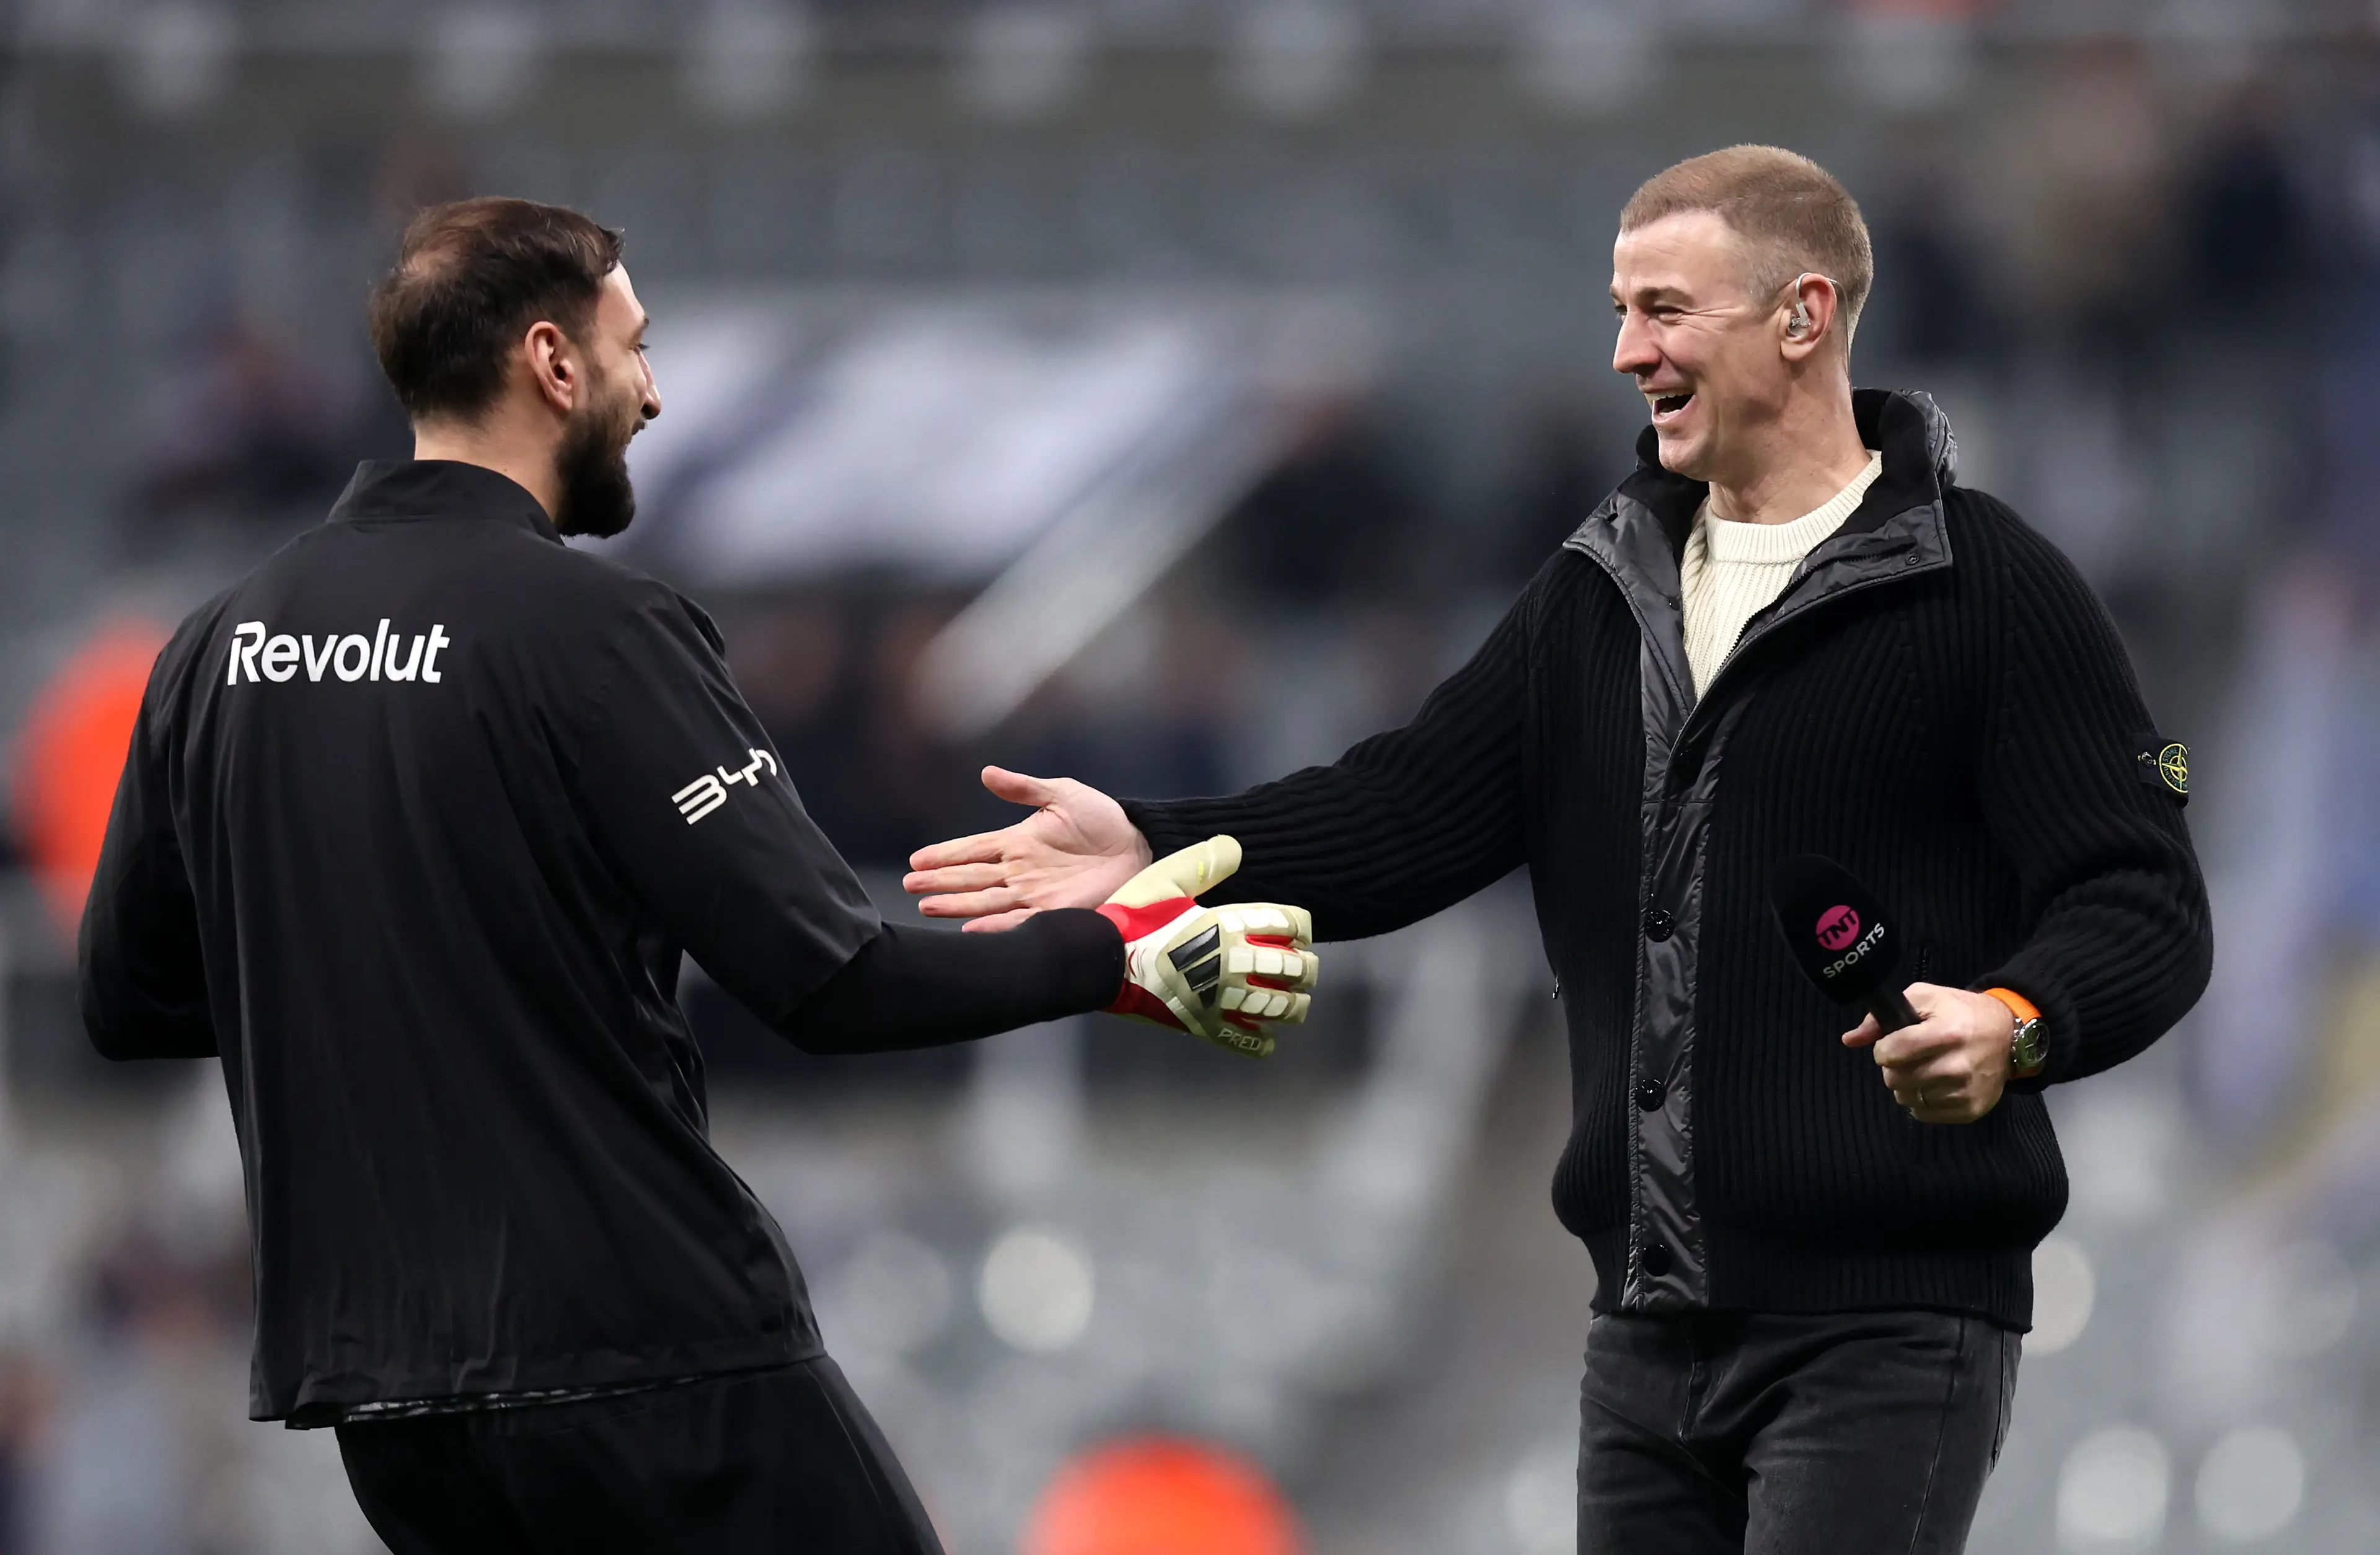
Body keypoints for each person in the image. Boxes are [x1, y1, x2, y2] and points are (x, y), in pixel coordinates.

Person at [906, 146, 2214, 1553]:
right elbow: (1408, 811)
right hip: (1643, 1334)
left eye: (1662, 310)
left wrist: (2017, 1023)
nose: (1623, 351)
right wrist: (1158, 844)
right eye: (1616, 309)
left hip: (1886, 1323)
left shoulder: (1993, 584)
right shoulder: (1600, 587)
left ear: (1803, 315)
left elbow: (2143, 900)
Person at [76, 196, 1318, 1554]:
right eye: (636, 349)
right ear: (553, 364)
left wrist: (387, 955)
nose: (656, 394)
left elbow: (129, 999)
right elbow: (826, 976)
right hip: (647, 1360)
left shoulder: (218, 645)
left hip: (390, 1405)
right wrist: (1116, 957)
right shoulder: (599, 631)